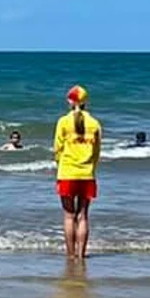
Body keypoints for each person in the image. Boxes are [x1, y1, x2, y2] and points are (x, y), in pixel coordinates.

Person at [53, 86, 102, 260]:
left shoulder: (63, 122)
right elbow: (97, 151)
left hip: (67, 172)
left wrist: (60, 166)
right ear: (85, 101)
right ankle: (81, 254)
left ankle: (70, 254)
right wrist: (91, 168)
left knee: (68, 215)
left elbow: (57, 149)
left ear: (70, 101)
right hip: (87, 173)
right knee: (83, 216)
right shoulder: (94, 123)